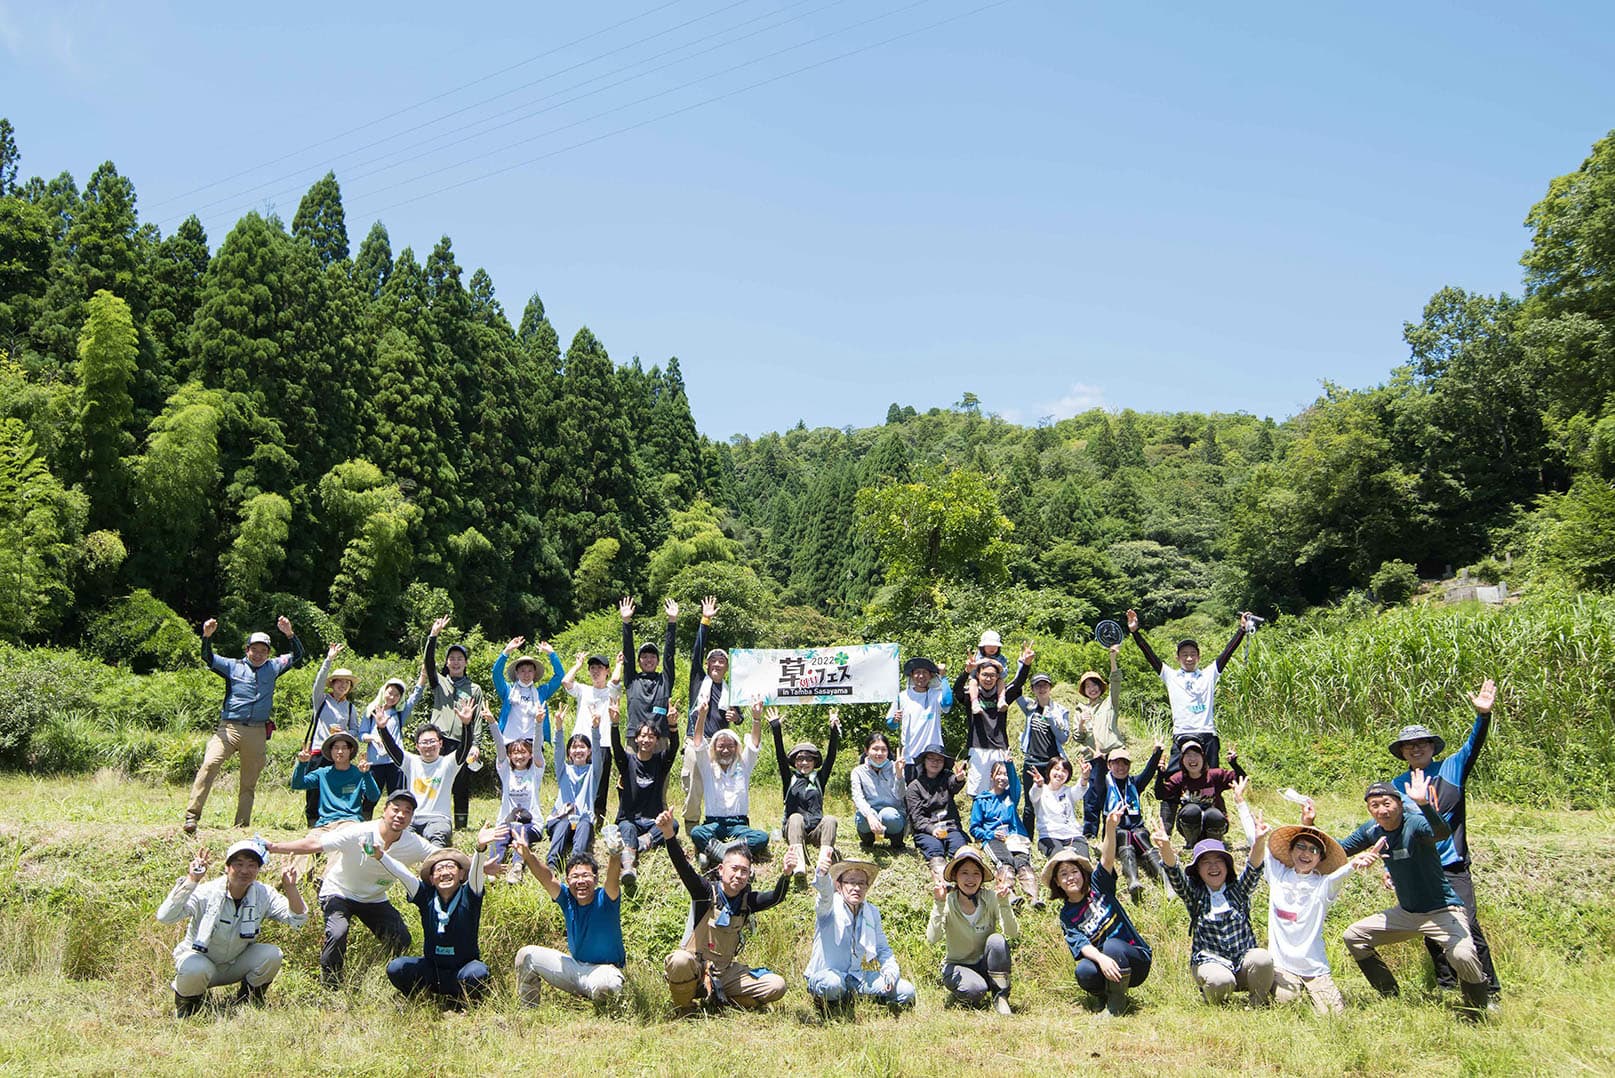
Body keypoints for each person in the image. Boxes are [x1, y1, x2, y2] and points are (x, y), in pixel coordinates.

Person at [1338, 774, 1492, 1018]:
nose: (1382, 810)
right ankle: (1389, 994)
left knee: (1462, 954)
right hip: (1408, 913)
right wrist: (1310, 826)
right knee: (1354, 936)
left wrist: (1423, 803)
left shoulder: (1415, 823)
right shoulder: (1372, 830)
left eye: (1387, 804)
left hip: (1443, 911)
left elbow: (1440, 832)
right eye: (1374, 805)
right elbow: (1340, 849)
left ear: (1399, 804)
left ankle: (1477, 1008)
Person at [1389, 678, 1502, 1002]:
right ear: (1402, 753)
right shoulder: (1397, 785)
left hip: (1452, 864)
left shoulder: (1452, 767)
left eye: (1422, 742)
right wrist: (1391, 866)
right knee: (1429, 928)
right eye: (1409, 745)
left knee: (1468, 924)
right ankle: (1446, 984)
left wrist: (1482, 716)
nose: (1416, 747)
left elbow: (1473, 745)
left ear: (1431, 747)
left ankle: (1488, 990)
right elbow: (1396, 827)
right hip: (1419, 867)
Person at [263, 789, 434, 987]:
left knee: (401, 939)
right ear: (385, 810)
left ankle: (390, 978)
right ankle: (331, 983)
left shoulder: (413, 843)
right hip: (339, 892)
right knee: (337, 932)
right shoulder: (359, 832)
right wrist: (274, 846)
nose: (400, 815)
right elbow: (315, 843)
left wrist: (477, 858)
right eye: (396, 809)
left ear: (412, 817)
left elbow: (442, 856)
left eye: (407, 812)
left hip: (374, 898)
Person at [1126, 608, 1252, 837]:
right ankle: (1167, 830)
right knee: (1171, 780)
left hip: (1207, 734)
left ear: (1198, 656)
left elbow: (1226, 654)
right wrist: (1135, 633)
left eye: (1193, 654)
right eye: (1184, 654)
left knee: (1212, 782)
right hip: (1182, 735)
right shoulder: (1171, 675)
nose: (1189, 657)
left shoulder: (1209, 674)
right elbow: (1151, 656)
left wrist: (1241, 631)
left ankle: (1214, 830)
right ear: (1178, 658)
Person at [661, 810, 796, 1016]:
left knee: (776, 985)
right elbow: (683, 866)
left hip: (724, 972)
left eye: (744, 871)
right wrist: (669, 833)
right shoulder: (704, 892)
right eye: (734, 869)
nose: (739, 875)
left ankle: (723, 998)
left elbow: (775, 898)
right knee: (679, 960)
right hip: (695, 967)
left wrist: (786, 874)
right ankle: (686, 1008)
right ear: (721, 869)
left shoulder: (746, 901)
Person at [157, 839, 307, 1016]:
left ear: (258, 869)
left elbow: (298, 919)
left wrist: (290, 887)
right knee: (194, 968)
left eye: (252, 865)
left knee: (272, 955)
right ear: (227, 867)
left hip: (235, 962)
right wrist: (191, 880)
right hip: (201, 960)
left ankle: (248, 1001)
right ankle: (189, 1008)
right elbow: (165, 917)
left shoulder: (264, 894)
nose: (245, 870)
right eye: (239, 864)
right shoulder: (206, 892)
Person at [184, 615, 305, 833]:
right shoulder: (232, 666)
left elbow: (298, 656)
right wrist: (207, 637)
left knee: (249, 781)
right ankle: (192, 816)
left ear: (268, 653)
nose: (258, 654)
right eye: (254, 650)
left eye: (263, 651)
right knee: (210, 764)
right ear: (246, 649)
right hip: (229, 728)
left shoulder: (274, 667)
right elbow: (208, 658)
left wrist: (289, 633)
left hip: (257, 731)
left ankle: (241, 826)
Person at [1264, 809, 1383, 1014]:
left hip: (1314, 968)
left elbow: (1339, 876)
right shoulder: (1278, 876)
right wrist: (1241, 804)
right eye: (1300, 847)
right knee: (1286, 1002)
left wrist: (1354, 864)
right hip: (1282, 965)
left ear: (1320, 858)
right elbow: (1259, 846)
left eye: (1313, 850)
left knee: (1333, 1014)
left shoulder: (1322, 886)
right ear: (1291, 851)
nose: (1306, 854)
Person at [1154, 812, 1274, 1006]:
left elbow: (1253, 868)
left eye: (1218, 861)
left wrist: (1260, 841)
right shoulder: (1195, 895)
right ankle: (1215, 1002)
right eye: (1206, 862)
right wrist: (1165, 847)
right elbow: (1174, 873)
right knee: (1220, 981)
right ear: (1198, 870)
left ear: (1227, 866)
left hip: (1243, 962)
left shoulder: (1238, 891)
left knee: (1263, 958)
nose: (1213, 867)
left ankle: (1258, 1003)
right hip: (1211, 963)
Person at [375, 824, 502, 1007]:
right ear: (432, 879)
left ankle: (463, 1002)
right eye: (438, 870)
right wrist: (381, 856)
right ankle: (421, 999)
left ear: (460, 875)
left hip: (462, 971)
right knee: (396, 968)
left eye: (450, 867)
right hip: (432, 970)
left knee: (478, 973)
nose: (444, 872)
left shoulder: (470, 893)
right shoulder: (425, 895)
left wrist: (480, 849)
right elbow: (403, 874)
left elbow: (476, 875)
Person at [1048, 804, 1153, 1017]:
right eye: (1063, 875)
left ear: (1082, 873)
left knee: (1112, 945)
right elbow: (1081, 944)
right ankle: (1105, 994)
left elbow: (1106, 858)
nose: (1070, 877)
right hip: (1107, 961)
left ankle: (1116, 1004)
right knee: (1084, 970)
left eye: (1073, 871)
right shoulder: (1067, 914)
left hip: (1135, 960)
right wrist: (1101, 959)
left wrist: (1110, 828)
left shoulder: (1098, 886)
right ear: (1057, 883)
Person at [513, 828, 627, 1004]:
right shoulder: (567, 898)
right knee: (526, 955)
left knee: (607, 986)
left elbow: (612, 877)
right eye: (574, 877)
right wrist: (528, 856)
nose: (580, 881)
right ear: (567, 881)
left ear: (596, 880)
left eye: (586, 876)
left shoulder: (606, 898)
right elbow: (547, 878)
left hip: (605, 970)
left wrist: (614, 854)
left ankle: (600, 1004)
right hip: (574, 968)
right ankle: (528, 1010)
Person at [804, 858, 916, 1014]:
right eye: (850, 882)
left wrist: (890, 972)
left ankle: (854, 997)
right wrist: (822, 876)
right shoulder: (829, 908)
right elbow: (825, 896)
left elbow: (883, 949)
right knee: (832, 984)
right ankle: (829, 1001)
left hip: (855, 977)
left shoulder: (871, 912)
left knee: (906, 991)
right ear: (839, 885)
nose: (856, 888)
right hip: (827, 975)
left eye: (862, 883)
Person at [927, 847, 1018, 1014]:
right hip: (957, 965)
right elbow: (932, 938)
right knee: (975, 991)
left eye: (976, 873)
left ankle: (1001, 996)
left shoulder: (990, 897)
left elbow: (1012, 933)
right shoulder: (947, 901)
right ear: (955, 876)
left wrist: (1004, 904)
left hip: (984, 963)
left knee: (997, 940)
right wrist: (938, 904)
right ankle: (978, 987)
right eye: (964, 873)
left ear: (982, 878)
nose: (970, 879)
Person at [610, 685, 680, 892]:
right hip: (629, 818)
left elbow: (674, 749)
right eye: (643, 735)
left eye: (651, 736)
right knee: (628, 828)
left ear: (656, 740)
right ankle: (629, 868)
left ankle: (639, 845)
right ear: (636, 738)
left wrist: (673, 727)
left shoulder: (660, 762)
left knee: (673, 825)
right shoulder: (627, 761)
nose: (646, 740)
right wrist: (615, 724)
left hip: (651, 821)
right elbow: (616, 747)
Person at [421, 615, 487, 831]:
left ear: (466, 663)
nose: (456, 661)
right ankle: (431, 818)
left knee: (461, 785)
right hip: (438, 741)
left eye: (460, 658)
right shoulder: (439, 683)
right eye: (452, 658)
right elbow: (428, 662)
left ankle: (460, 825)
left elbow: (477, 719)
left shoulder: (474, 689)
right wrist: (433, 635)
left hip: (462, 742)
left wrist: (476, 743)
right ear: (447, 663)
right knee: (435, 782)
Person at [379, 704, 476, 847]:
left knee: (438, 843)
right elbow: (392, 748)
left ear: (440, 743)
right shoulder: (410, 762)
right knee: (395, 842)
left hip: (439, 819)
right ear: (417, 746)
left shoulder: (448, 763)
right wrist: (382, 729)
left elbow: (465, 747)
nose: (428, 746)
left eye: (432, 741)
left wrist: (467, 725)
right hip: (411, 818)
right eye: (424, 742)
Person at [688, 700, 769, 865]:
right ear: (714, 748)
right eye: (721, 746)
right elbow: (697, 742)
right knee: (697, 832)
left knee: (761, 837)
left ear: (736, 747)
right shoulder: (708, 766)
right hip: (713, 824)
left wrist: (756, 718)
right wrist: (702, 715)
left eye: (730, 746)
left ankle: (717, 853)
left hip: (738, 825)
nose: (725, 750)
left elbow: (754, 744)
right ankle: (734, 854)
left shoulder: (743, 766)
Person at [1083, 742, 1165, 903]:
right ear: (1109, 765)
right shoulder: (1105, 785)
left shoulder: (1134, 783)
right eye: (1116, 763)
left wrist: (1157, 753)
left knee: (1140, 834)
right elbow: (1097, 782)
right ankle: (1132, 879)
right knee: (1124, 835)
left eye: (1125, 763)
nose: (1121, 767)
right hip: (1115, 831)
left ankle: (1164, 878)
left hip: (1137, 829)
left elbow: (1148, 773)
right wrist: (1098, 762)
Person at [288, 731, 379, 876]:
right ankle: (292, 880)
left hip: (349, 822)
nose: (340, 751)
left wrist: (366, 774)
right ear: (330, 752)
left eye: (344, 748)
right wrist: (302, 764)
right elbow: (297, 784)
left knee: (339, 843)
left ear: (351, 751)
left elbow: (373, 796)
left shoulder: (358, 773)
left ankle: (326, 881)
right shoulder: (322, 773)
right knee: (306, 845)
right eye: (336, 747)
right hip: (324, 824)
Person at [770, 705, 841, 883]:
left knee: (830, 819)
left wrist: (833, 730)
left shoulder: (819, 779)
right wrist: (776, 728)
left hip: (816, 830)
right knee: (795, 818)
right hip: (794, 831)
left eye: (809, 759)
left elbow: (831, 757)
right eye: (800, 758)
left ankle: (823, 863)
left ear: (814, 761)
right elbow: (780, 756)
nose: (804, 762)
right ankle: (799, 865)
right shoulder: (790, 779)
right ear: (794, 761)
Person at [955, 641, 1032, 795]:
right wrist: (965, 672)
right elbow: (956, 691)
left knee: (1002, 790)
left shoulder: (1002, 694)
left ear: (998, 677)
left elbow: (1017, 685)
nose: (988, 679)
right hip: (977, 747)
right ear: (978, 675)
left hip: (1000, 748)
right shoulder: (970, 693)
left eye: (992, 675)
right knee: (977, 792)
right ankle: (979, 818)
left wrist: (1026, 664)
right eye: (985, 675)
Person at [482, 704, 545, 881]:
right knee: (499, 836)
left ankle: (517, 866)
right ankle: (493, 867)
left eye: (523, 752)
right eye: (515, 753)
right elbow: (500, 748)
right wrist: (493, 723)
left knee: (520, 831)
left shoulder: (535, 772)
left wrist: (538, 723)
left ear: (530, 754)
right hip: (507, 821)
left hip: (532, 824)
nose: (519, 756)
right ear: (510, 756)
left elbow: (538, 747)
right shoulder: (506, 772)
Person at [683, 596, 730, 830]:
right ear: (707, 664)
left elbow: (738, 715)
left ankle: (715, 825)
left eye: (722, 661)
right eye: (713, 660)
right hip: (696, 739)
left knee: (720, 786)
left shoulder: (732, 690)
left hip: (721, 744)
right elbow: (696, 652)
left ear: (726, 667)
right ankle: (692, 827)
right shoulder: (698, 679)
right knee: (693, 783)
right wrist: (705, 621)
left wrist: (737, 717)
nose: (717, 664)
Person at [545, 704, 608, 871]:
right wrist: (558, 728)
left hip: (582, 821)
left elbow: (597, 752)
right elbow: (557, 752)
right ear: (569, 752)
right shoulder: (563, 770)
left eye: (582, 747)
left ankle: (576, 864)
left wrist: (595, 728)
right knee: (564, 823)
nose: (578, 750)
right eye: (574, 747)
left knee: (585, 823)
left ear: (589, 751)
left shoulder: (593, 772)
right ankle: (551, 865)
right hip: (560, 820)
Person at [968, 759, 1040, 906]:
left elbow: (1015, 783)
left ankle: (1034, 898)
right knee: (1005, 861)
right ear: (991, 776)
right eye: (998, 774)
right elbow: (974, 828)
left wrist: (1009, 765)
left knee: (1022, 862)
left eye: (1005, 774)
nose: (1002, 777)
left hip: (1015, 837)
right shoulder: (981, 800)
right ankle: (1009, 894)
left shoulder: (1010, 796)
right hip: (993, 839)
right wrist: (990, 834)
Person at [306, 644, 363, 827]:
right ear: (332, 683)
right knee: (314, 788)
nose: (343, 685)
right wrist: (329, 659)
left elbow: (355, 730)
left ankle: (334, 818)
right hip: (318, 751)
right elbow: (318, 683)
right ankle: (312, 820)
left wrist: (345, 733)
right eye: (339, 681)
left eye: (347, 683)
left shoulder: (350, 707)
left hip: (339, 753)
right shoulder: (321, 700)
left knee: (336, 788)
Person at [1158, 739, 1247, 847]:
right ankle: (1192, 844)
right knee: (1192, 810)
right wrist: (1160, 774)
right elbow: (1160, 795)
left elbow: (1241, 779)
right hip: (1189, 823)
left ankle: (1214, 844)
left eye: (1196, 755)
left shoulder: (1215, 775)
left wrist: (1234, 764)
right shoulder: (1178, 779)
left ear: (1203, 758)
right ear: (1182, 760)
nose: (1192, 759)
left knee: (1213, 813)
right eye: (1188, 755)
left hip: (1215, 822)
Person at [1016, 670, 1070, 838]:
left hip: (1051, 764)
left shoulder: (1061, 711)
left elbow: (1064, 738)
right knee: (1030, 803)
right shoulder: (1029, 707)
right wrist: (1022, 665)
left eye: (1045, 685)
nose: (1041, 688)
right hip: (1032, 761)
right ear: (1032, 689)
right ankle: (1027, 840)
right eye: (1037, 685)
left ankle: (1051, 837)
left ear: (1050, 687)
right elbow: (1015, 689)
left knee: (1052, 801)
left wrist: (1051, 718)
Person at [906, 749, 971, 888]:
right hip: (927, 829)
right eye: (931, 759)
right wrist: (931, 829)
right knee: (935, 851)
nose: (935, 763)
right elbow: (916, 818)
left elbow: (954, 784)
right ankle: (943, 883)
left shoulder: (946, 777)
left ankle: (963, 885)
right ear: (924, 761)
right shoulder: (914, 787)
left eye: (939, 760)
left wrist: (959, 779)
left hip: (950, 827)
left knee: (960, 850)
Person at [619, 596, 678, 747]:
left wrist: (672, 622)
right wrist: (626, 622)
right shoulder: (631, 680)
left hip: (660, 738)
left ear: (658, 661)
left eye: (653, 657)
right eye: (644, 657)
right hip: (635, 738)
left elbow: (669, 656)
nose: (649, 660)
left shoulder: (664, 681)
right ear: (639, 661)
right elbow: (628, 654)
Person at [357, 676, 420, 817]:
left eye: (397, 695)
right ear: (383, 691)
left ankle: (395, 822)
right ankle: (364, 821)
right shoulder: (371, 711)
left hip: (395, 762)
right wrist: (374, 738)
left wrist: (422, 678)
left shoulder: (399, 713)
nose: (392, 697)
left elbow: (415, 698)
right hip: (375, 761)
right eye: (390, 692)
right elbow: (361, 734)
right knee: (370, 796)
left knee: (397, 795)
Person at [887, 656, 952, 785]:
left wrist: (943, 677)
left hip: (932, 756)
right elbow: (890, 724)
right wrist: (894, 720)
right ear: (911, 675)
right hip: (910, 757)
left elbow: (947, 703)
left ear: (930, 676)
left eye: (924, 673)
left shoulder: (936, 694)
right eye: (917, 672)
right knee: (910, 793)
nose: (921, 676)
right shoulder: (902, 697)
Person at [492, 637, 564, 745]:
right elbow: (496, 674)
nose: (526, 674)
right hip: (509, 741)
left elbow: (559, 676)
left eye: (530, 671)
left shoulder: (542, 692)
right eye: (522, 671)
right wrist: (507, 651)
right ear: (517, 673)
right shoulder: (508, 691)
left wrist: (551, 653)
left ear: (535, 673)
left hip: (534, 743)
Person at [850, 731, 908, 850]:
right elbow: (858, 797)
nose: (879, 753)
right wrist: (870, 816)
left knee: (888, 815)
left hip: (893, 815)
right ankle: (868, 840)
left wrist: (898, 775)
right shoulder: (858, 771)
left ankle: (896, 842)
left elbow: (900, 795)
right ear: (866, 750)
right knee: (862, 817)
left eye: (883, 750)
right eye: (875, 749)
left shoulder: (896, 766)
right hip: (870, 815)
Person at [1029, 755, 1091, 860]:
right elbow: (1033, 796)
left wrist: (1085, 776)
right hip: (1049, 837)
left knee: (1082, 861)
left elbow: (1081, 788)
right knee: (1060, 859)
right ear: (1049, 770)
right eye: (1056, 769)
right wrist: (1039, 784)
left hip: (1073, 835)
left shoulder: (1069, 792)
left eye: (1064, 771)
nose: (1059, 774)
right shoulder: (1041, 791)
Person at [1071, 645, 1126, 758]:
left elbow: (1115, 681)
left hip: (1114, 755)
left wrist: (1112, 659)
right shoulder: (1080, 710)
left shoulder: (1110, 702)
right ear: (1084, 690)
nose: (1092, 689)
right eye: (1088, 686)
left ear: (1100, 687)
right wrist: (1081, 723)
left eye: (1095, 684)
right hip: (1092, 757)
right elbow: (1078, 738)